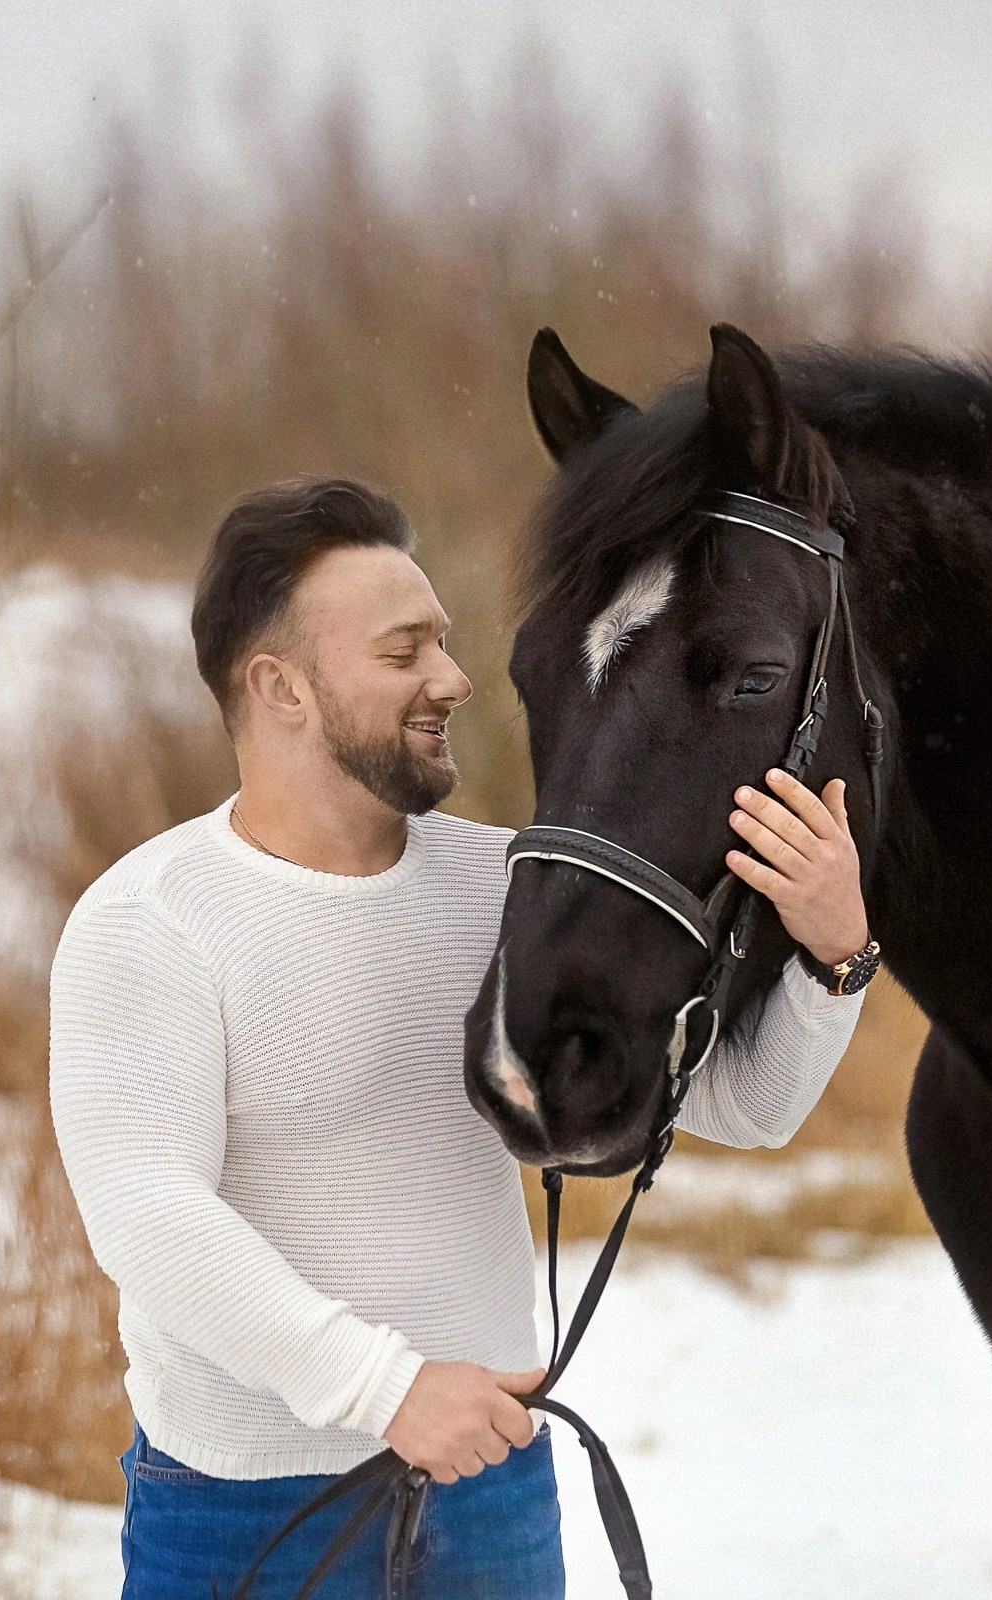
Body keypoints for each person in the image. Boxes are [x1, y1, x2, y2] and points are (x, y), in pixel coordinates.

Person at [49, 478, 873, 1598]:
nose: (454, 678)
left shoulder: (509, 882)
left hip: (492, 1493)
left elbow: (741, 1106)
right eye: (404, 654)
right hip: (248, 1511)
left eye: (442, 641)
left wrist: (835, 958)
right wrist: (386, 1388)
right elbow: (149, 1214)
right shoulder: (154, 919)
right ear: (279, 687)